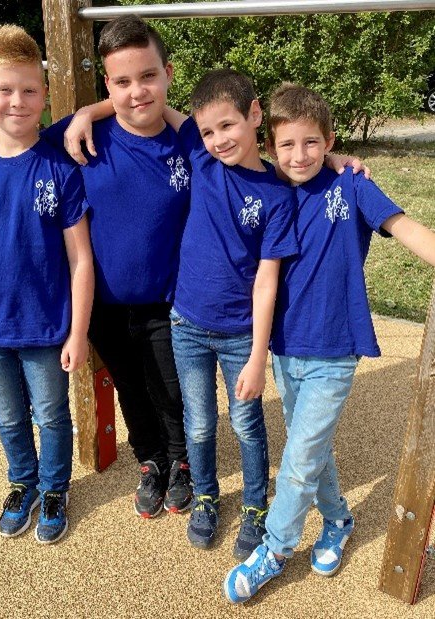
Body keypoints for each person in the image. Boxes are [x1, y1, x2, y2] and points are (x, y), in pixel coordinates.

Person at [0, 15, 365, 521]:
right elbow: (17, 142)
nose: (136, 91)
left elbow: (249, 151)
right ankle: (151, 460)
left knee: (170, 390)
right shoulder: (83, 135)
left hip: (169, 300)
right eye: (121, 82)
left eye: (148, 77)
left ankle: (180, 461)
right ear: (108, 85)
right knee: (130, 388)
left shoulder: (189, 141)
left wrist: (329, 159)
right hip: (105, 303)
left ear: (168, 75)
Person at [223, 82, 435, 603]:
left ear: (330, 140)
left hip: (335, 349)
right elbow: (212, 134)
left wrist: (341, 163)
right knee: (309, 446)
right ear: (270, 146)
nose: (300, 155)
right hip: (284, 348)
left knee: (298, 458)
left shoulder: (351, 185)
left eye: (312, 143)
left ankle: (275, 548)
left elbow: (404, 227)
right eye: (288, 144)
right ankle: (338, 519)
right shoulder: (266, 188)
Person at [0, 25, 94, 545]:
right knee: (8, 417)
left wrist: (77, 332)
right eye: (4, 90)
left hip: (46, 327)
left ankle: (54, 488)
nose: (18, 101)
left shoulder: (60, 169)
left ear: (44, 94)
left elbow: (80, 258)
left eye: (29, 90)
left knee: (51, 415)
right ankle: (23, 482)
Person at [161, 69, 297, 559]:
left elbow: (267, 280)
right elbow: (147, 103)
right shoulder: (201, 156)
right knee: (199, 424)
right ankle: (206, 496)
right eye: (208, 130)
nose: (218, 140)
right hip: (187, 324)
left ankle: (256, 504)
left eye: (227, 125)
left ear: (255, 114)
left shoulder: (278, 195)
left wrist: (259, 356)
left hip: (241, 334)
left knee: (245, 424)